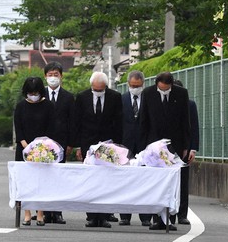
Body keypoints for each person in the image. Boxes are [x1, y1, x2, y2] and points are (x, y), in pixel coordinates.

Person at [71, 71, 123, 228]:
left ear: (105, 87)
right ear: (91, 86)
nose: (97, 92)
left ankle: (105, 215)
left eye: (100, 90)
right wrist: (78, 146)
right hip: (88, 143)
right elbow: (77, 122)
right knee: (90, 181)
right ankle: (92, 216)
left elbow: (119, 122)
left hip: (108, 145)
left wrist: (118, 146)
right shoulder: (82, 97)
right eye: (95, 89)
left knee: (106, 181)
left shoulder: (115, 97)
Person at [140, 71, 190, 231]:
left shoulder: (181, 94)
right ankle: (157, 219)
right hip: (153, 145)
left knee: (172, 183)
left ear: (171, 85)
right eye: (161, 89)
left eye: (166, 89)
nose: (164, 91)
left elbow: (185, 120)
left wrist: (186, 147)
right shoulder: (147, 93)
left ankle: (170, 218)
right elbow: (143, 120)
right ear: (156, 85)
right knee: (156, 183)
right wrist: (144, 147)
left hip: (175, 144)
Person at [13, 76, 55, 227]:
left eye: (36, 92)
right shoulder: (20, 106)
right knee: (25, 181)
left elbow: (51, 128)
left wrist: (40, 147)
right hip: (24, 148)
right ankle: (26, 213)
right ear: (26, 92)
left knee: (41, 182)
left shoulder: (48, 106)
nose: (33, 95)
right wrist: (27, 147)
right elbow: (19, 129)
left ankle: (40, 213)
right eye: (31, 92)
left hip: (43, 150)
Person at [118, 70, 152, 226]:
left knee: (144, 182)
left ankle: (145, 217)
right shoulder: (121, 99)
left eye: (137, 86)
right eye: (132, 86)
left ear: (143, 85)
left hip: (144, 145)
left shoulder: (149, 99)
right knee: (125, 182)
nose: (135, 88)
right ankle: (125, 216)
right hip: (126, 145)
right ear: (128, 84)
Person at [43, 61, 73, 225]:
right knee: (44, 177)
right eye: (50, 75)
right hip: (42, 144)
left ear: (61, 76)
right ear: (45, 76)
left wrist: (70, 144)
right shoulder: (40, 95)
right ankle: (44, 212)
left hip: (61, 143)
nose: (53, 78)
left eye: (56, 75)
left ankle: (57, 212)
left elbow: (72, 121)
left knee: (59, 178)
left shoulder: (68, 97)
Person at [173, 78, 199, 225]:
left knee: (183, 183)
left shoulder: (190, 105)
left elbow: (194, 128)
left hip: (185, 149)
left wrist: (193, 149)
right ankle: (169, 214)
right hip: (168, 150)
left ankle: (182, 214)